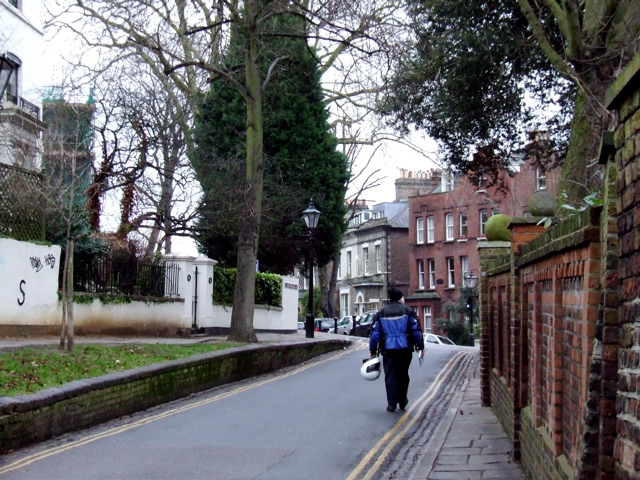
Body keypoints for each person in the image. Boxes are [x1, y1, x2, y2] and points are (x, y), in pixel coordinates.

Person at [369, 288, 425, 412]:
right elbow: (416, 330)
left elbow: (375, 334)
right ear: (400, 298)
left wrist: (373, 350)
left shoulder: (381, 313)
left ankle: (392, 403)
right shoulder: (408, 311)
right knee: (403, 374)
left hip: (388, 349)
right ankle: (402, 399)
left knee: (390, 375)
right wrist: (421, 346)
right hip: (405, 348)